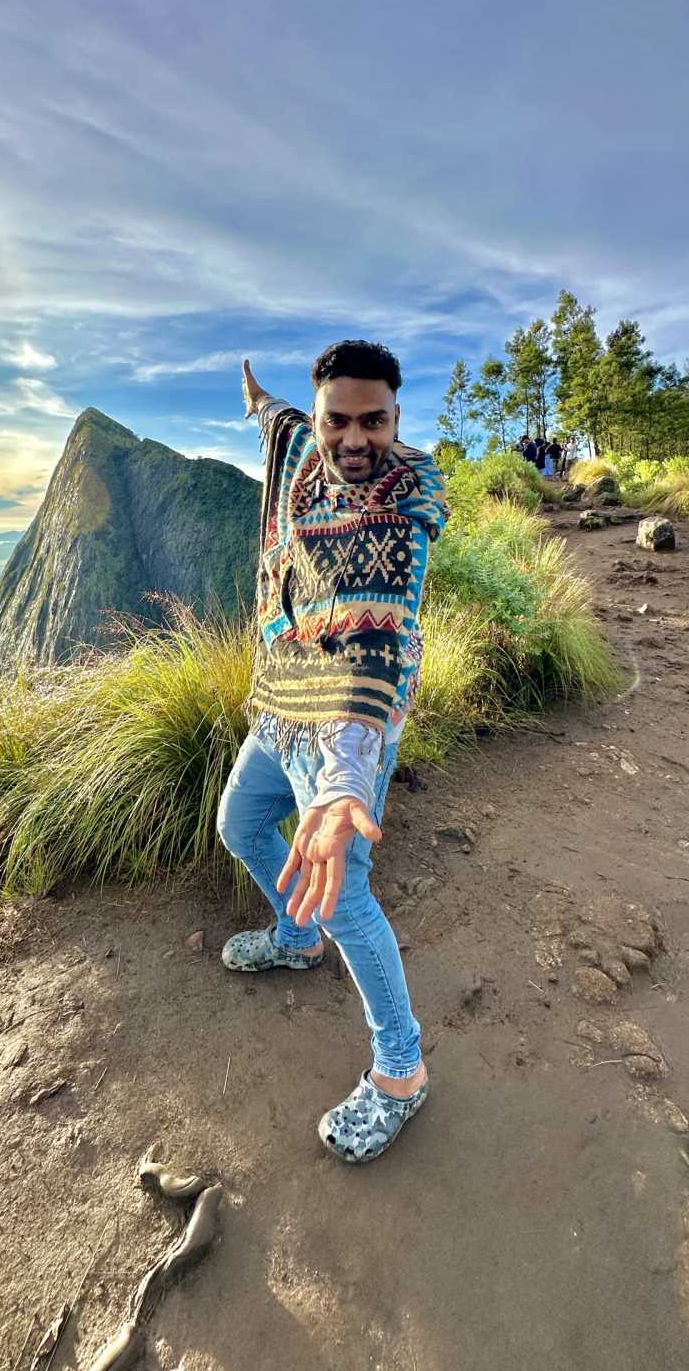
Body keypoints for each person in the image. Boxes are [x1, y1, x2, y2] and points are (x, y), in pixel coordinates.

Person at [218, 339, 449, 1163]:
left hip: (343, 732)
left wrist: (344, 779)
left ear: (397, 418)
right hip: (279, 704)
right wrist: (260, 402)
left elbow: (372, 649)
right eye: (336, 421)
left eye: (373, 422)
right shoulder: (300, 447)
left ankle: (401, 1070)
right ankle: (295, 938)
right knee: (239, 824)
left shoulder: (398, 515)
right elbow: (280, 422)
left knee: (345, 897)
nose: (354, 440)